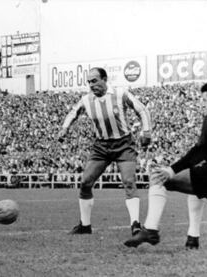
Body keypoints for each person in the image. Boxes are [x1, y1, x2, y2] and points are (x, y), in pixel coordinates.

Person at [124, 80, 207, 249]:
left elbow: (200, 149)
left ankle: (150, 229)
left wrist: (172, 170)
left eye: (204, 100)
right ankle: (192, 239)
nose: (202, 105)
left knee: (158, 177)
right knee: (195, 180)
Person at [58, 67, 152, 235]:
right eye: (89, 82)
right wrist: (64, 128)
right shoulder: (86, 100)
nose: (91, 85)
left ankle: (135, 225)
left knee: (129, 181)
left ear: (104, 79)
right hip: (101, 146)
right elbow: (73, 113)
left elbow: (142, 110)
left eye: (94, 81)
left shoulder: (120, 94)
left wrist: (146, 131)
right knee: (85, 182)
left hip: (123, 144)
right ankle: (85, 226)